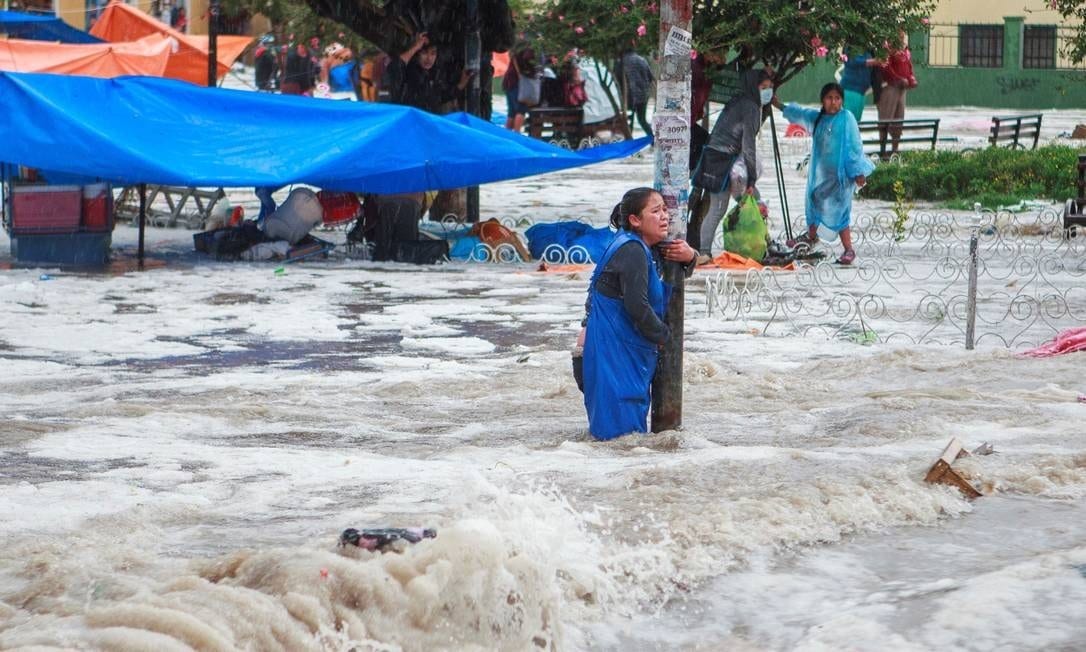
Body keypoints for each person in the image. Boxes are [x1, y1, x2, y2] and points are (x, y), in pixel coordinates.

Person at [579, 188, 698, 441]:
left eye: (666, 210)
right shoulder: (632, 250)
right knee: (622, 441)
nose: (665, 216)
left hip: (618, 356)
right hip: (615, 358)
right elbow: (637, 306)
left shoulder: (637, 244)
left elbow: (665, 269)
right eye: (656, 211)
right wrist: (666, 337)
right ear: (635, 220)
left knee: (623, 441)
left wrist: (691, 257)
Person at [777, 82, 875, 266]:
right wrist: (778, 105)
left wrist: (858, 173)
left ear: (842, 101)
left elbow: (854, 148)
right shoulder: (818, 119)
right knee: (815, 201)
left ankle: (848, 250)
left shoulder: (847, 119)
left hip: (842, 177)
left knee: (840, 213)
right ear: (823, 100)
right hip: (822, 176)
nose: (833, 102)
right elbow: (799, 114)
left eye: (837, 98)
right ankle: (811, 238)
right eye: (829, 98)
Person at [691, 68, 773, 255]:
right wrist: (751, 179)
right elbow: (748, 146)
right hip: (724, 164)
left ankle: (762, 245)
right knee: (721, 209)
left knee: (751, 202)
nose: (768, 91)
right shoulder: (751, 107)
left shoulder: (739, 101)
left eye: (770, 87)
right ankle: (704, 253)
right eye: (764, 87)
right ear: (754, 87)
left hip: (718, 160)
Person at [383, 31, 473, 114]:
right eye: (424, 53)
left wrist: (461, 84)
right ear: (417, 54)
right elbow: (395, 66)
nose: (429, 58)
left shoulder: (434, 75)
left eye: (433, 53)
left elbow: (441, 97)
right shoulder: (407, 73)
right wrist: (416, 47)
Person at [875, 30, 917, 159]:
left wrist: (911, 78)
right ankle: (883, 150)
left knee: (899, 118)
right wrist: (898, 78)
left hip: (902, 89)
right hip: (890, 87)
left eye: (903, 35)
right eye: (899, 35)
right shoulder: (887, 49)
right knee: (886, 118)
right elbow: (886, 68)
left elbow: (908, 66)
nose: (901, 37)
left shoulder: (904, 50)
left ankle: (895, 149)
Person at [619, 49, 654, 137]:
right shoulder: (642, 60)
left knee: (628, 122)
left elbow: (618, 80)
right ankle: (652, 139)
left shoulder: (621, 62)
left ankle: (630, 144)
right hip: (642, 96)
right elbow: (650, 78)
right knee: (642, 120)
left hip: (628, 97)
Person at [839, 47, 878, 122]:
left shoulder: (868, 48)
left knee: (856, 121)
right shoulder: (851, 45)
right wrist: (873, 61)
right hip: (850, 89)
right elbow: (852, 61)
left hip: (862, 91)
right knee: (848, 120)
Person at [503, 45, 537, 131]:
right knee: (521, 109)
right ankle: (516, 135)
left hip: (509, 81)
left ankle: (506, 136)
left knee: (512, 111)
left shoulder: (518, 46)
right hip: (519, 83)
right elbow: (529, 63)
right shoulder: (530, 47)